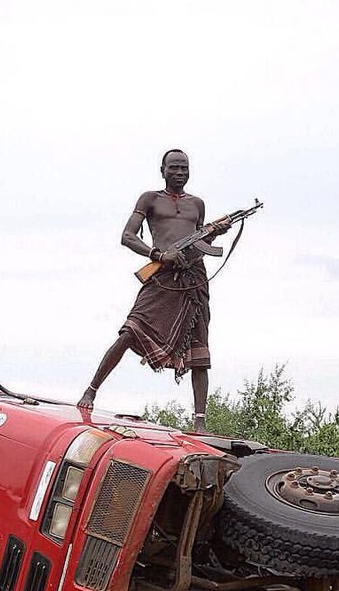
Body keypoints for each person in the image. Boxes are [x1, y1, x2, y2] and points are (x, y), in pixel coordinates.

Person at [78, 150, 231, 433]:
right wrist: (157, 255)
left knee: (199, 349)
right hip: (161, 276)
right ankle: (90, 391)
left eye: (185, 168)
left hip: (193, 280)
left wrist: (215, 232)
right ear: (162, 170)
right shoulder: (150, 199)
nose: (180, 172)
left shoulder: (197, 204)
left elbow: (199, 240)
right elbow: (127, 236)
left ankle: (199, 422)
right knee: (130, 330)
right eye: (174, 167)